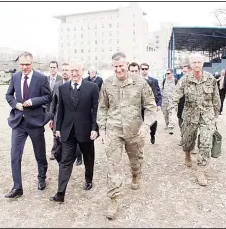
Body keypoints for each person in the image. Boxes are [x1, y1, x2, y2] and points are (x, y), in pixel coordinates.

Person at [98, 52, 157, 220]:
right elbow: (102, 107)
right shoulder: (107, 84)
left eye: (121, 66)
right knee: (113, 165)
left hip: (135, 130)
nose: (118, 69)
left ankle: (136, 173)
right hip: (114, 130)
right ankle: (114, 199)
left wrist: (146, 126)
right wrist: (102, 128)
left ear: (127, 64)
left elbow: (151, 107)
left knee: (135, 160)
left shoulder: (140, 82)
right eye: (115, 66)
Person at [50, 61, 99, 203]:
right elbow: (61, 110)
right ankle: (60, 193)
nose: (74, 73)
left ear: (82, 71)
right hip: (67, 130)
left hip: (86, 131)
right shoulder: (63, 88)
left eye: (77, 70)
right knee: (65, 161)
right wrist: (58, 128)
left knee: (88, 158)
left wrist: (95, 128)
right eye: (72, 71)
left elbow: (95, 110)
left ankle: (88, 179)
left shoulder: (92, 88)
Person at [4, 52, 52, 198]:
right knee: (15, 155)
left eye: (27, 64)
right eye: (22, 64)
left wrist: (33, 101)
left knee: (40, 154)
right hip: (18, 122)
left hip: (35, 122)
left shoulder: (41, 78)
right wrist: (15, 104)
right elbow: (8, 95)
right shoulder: (15, 77)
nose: (24, 67)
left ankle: (42, 177)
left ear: (32, 63)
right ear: (19, 64)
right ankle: (17, 187)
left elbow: (47, 97)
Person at [170, 53, 220, 186]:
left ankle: (201, 170)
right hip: (190, 114)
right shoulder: (184, 79)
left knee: (206, 142)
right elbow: (175, 96)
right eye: (194, 63)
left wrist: (216, 116)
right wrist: (172, 113)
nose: (197, 65)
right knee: (187, 140)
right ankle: (187, 154)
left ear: (203, 63)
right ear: (190, 64)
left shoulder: (211, 79)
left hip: (206, 115)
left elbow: (216, 99)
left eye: (199, 62)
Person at [49, 63, 83, 165]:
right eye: (63, 70)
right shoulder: (57, 85)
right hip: (59, 117)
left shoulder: (77, 84)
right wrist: (51, 117)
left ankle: (78, 155)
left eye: (67, 70)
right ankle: (60, 155)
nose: (64, 72)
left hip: (73, 117)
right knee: (57, 137)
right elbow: (53, 103)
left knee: (76, 137)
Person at [140, 63, 162, 144]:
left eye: (146, 69)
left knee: (153, 122)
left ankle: (152, 134)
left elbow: (158, 93)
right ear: (140, 70)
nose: (144, 70)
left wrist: (158, 104)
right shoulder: (137, 80)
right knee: (140, 122)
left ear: (148, 70)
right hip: (140, 106)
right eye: (142, 69)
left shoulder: (154, 81)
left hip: (151, 105)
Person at [161, 69, 177, 134]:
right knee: (165, 114)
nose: (167, 75)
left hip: (172, 101)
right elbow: (161, 89)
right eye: (166, 73)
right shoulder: (164, 80)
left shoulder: (175, 81)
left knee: (171, 113)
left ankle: (171, 126)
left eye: (168, 73)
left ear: (172, 73)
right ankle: (167, 124)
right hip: (165, 101)